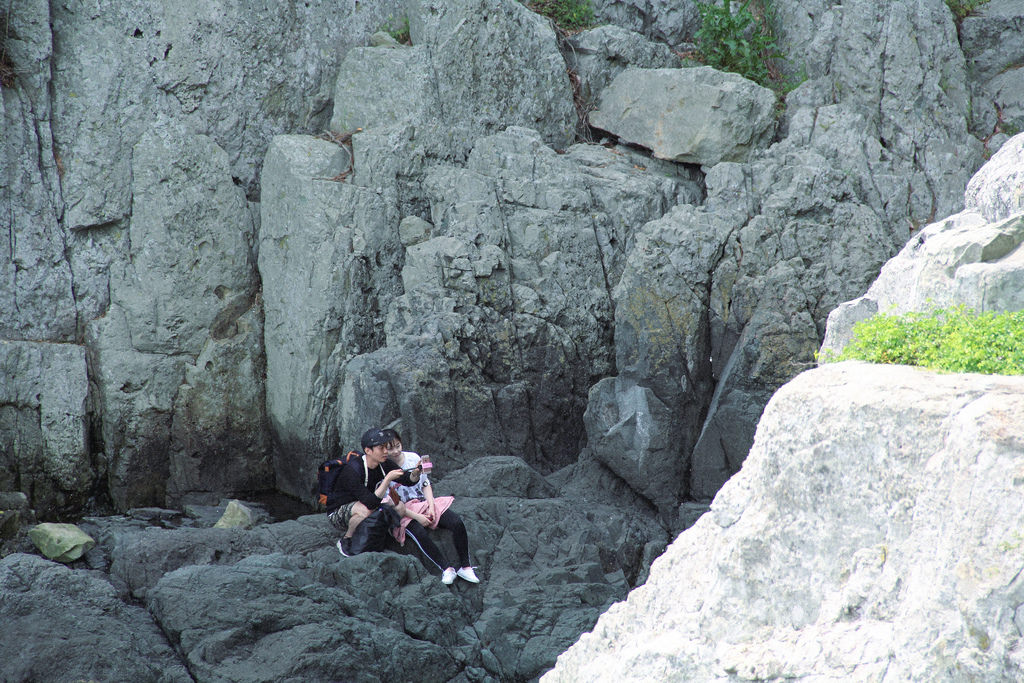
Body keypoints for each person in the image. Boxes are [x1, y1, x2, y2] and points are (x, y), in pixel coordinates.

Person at [382, 428, 479, 585]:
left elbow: (425, 484)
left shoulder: (413, 458)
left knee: (456, 522)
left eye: (398, 446)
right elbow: (395, 504)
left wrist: (432, 506)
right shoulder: (384, 469)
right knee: (419, 532)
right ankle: (446, 568)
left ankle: (465, 566)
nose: (396, 451)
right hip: (403, 510)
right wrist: (418, 517)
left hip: (423, 502)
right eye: (390, 448)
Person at [325, 427, 419, 557]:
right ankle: (347, 539)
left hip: (368, 502)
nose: (386, 451)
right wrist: (387, 480)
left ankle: (380, 534)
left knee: (400, 507)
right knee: (365, 510)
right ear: (368, 451)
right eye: (381, 448)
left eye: (386, 447)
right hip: (339, 512)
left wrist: (416, 473)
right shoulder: (353, 470)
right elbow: (370, 503)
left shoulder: (384, 463)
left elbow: (407, 479)